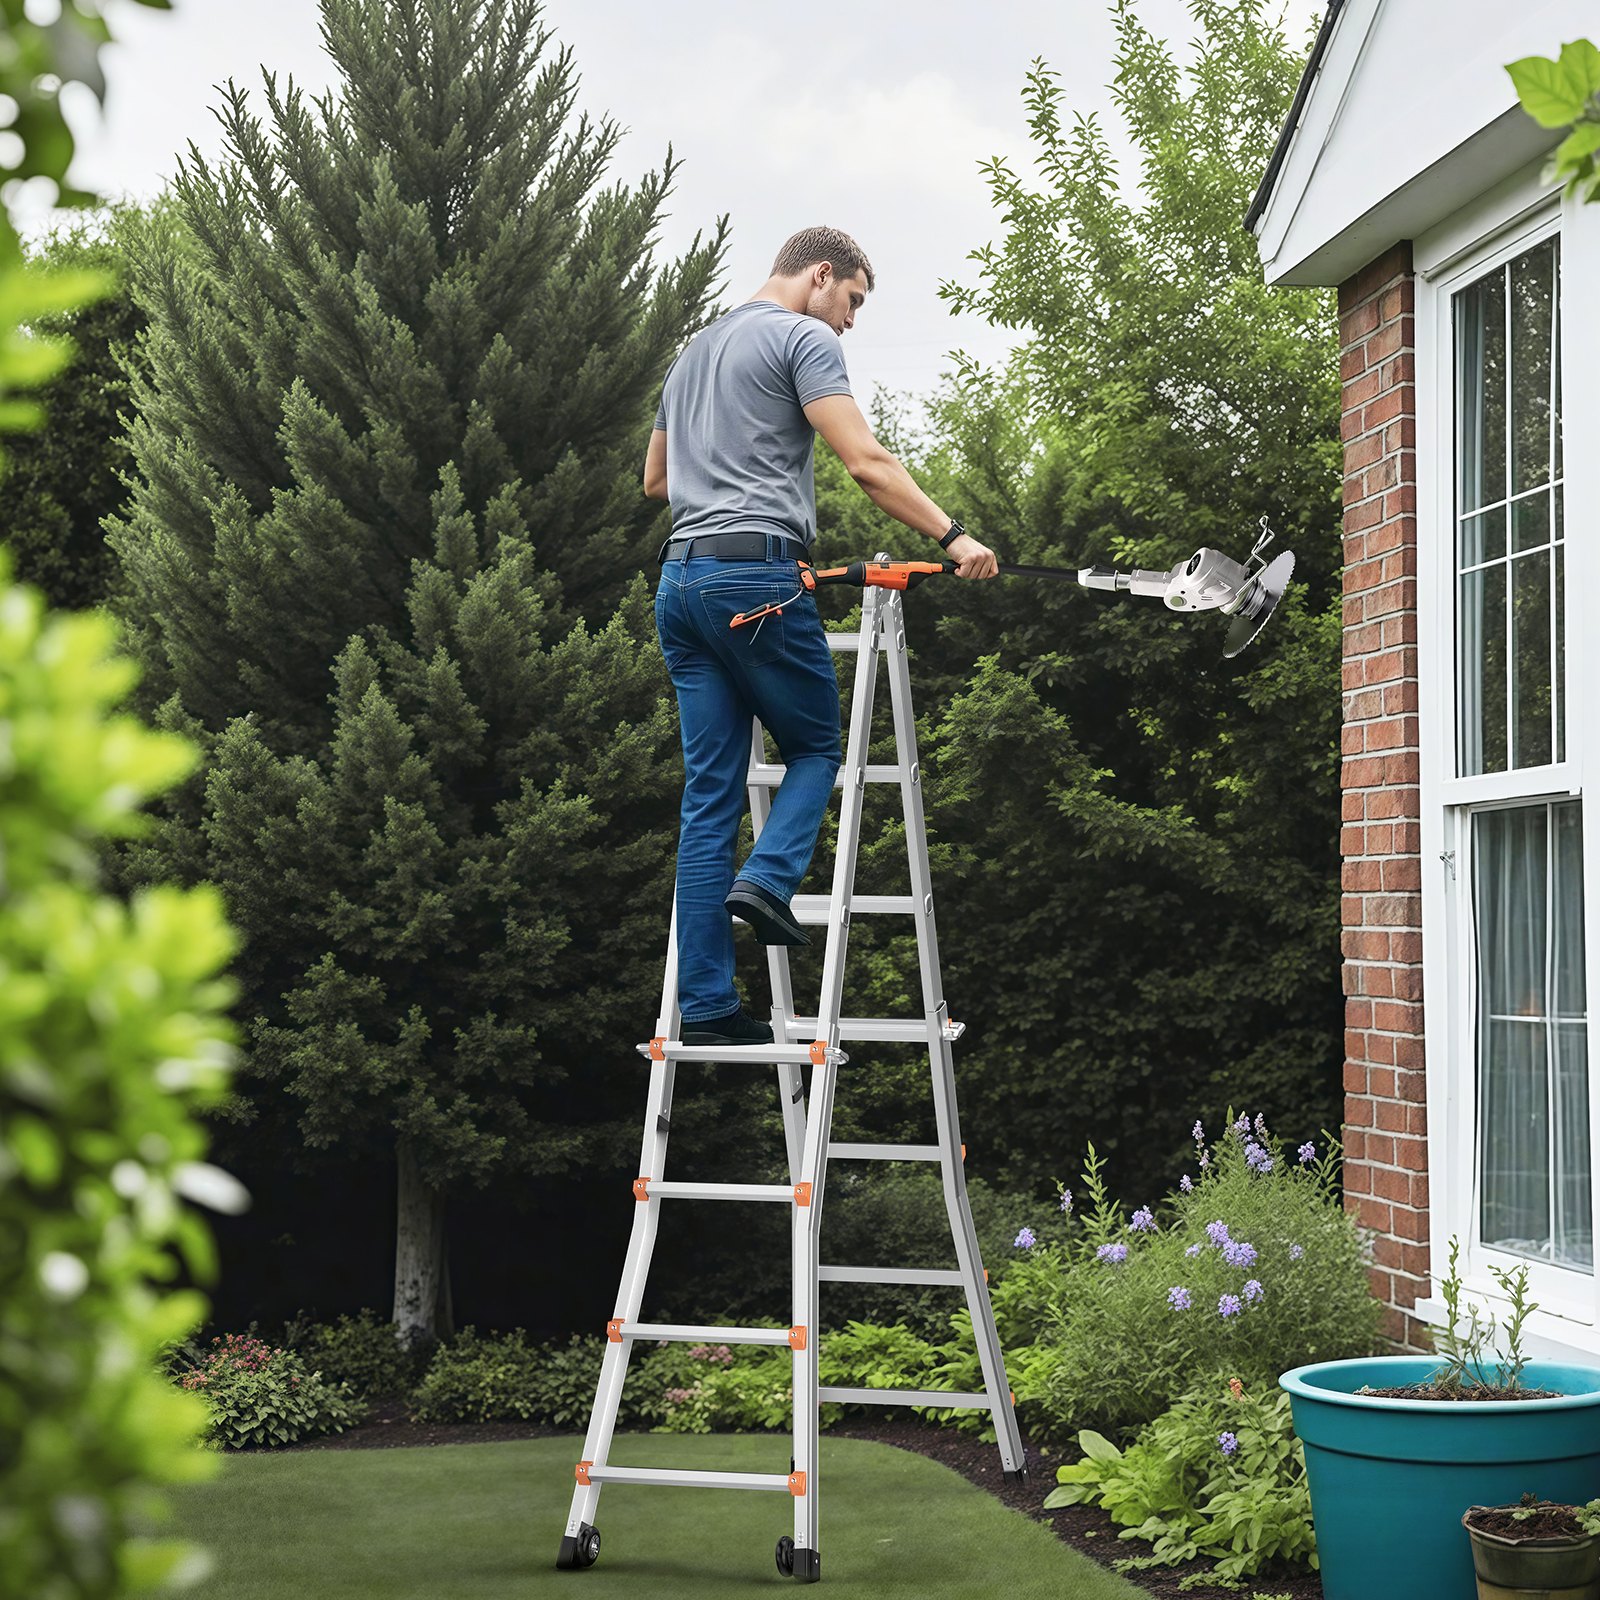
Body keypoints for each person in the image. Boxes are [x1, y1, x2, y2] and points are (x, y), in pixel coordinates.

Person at [646, 225, 998, 1045]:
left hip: (680, 582)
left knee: (710, 796)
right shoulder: (802, 338)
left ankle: (706, 1008)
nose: (848, 322)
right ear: (820, 275)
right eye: (853, 302)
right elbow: (866, 462)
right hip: (756, 577)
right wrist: (955, 537)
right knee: (813, 748)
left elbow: (657, 480)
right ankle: (767, 879)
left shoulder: (693, 352)